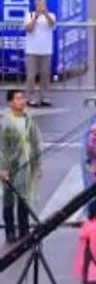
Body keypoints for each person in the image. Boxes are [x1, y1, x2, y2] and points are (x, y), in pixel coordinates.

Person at [0, 88, 41, 243]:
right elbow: (1, 147)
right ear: (10, 102)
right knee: (9, 199)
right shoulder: (4, 122)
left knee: (23, 198)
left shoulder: (28, 119)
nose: (22, 101)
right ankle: (10, 231)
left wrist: (37, 163)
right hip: (9, 165)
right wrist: (2, 168)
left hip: (26, 164)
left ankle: (24, 230)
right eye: (18, 98)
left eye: (23, 98)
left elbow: (35, 140)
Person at [21, 0, 54, 108]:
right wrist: (36, 16)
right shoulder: (29, 15)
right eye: (39, 0)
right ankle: (29, 98)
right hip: (32, 50)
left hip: (46, 50)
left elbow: (52, 24)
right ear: (34, 2)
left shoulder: (51, 15)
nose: (41, 3)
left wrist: (45, 14)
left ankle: (44, 97)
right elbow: (28, 29)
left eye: (43, 0)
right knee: (31, 76)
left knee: (45, 75)